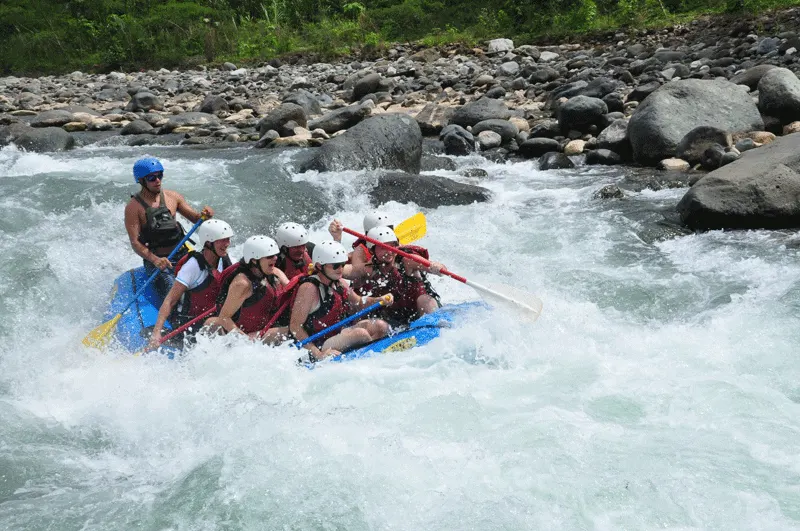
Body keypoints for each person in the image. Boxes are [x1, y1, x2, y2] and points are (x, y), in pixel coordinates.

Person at [124, 157, 214, 298]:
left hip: (182, 254)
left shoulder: (173, 197)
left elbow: (196, 219)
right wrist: (155, 260)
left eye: (160, 175)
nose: (157, 180)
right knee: (176, 294)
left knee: (209, 283)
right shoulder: (133, 207)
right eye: (152, 178)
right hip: (158, 260)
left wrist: (205, 215)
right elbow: (135, 242)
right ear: (141, 181)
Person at [289, 241, 392, 362]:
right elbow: (295, 326)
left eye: (342, 265)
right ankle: (373, 359)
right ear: (319, 266)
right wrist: (317, 353)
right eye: (335, 266)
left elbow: (359, 303)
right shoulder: (309, 288)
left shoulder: (340, 283)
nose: (340, 269)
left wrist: (379, 300)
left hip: (338, 334)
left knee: (381, 326)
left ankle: (378, 355)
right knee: (360, 334)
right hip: (319, 343)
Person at [147, 219, 233, 349]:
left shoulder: (224, 260)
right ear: (209, 243)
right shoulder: (193, 266)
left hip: (212, 317)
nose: (227, 244)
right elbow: (170, 300)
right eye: (222, 240)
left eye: (228, 239)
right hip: (189, 324)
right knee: (220, 323)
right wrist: (156, 333)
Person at [204, 235, 292, 344]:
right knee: (291, 331)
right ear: (254, 260)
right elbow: (224, 317)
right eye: (269, 256)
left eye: (275, 255)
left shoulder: (273, 271)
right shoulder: (242, 284)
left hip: (262, 329)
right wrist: (245, 342)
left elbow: (291, 288)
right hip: (246, 335)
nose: (275, 258)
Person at [385, 244, 444, 324]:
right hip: (394, 314)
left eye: (390, 245)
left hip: (421, 309)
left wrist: (437, 267)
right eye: (382, 247)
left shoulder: (407, 260)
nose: (388, 252)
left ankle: (436, 325)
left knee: (424, 299)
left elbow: (440, 269)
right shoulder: (368, 264)